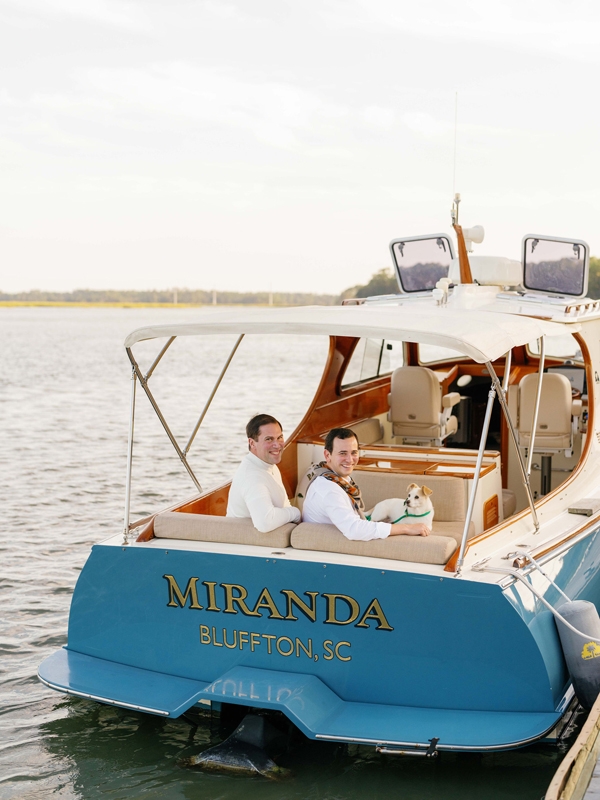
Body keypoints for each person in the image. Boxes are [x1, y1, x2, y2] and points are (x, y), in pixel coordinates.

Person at [301, 427, 430, 541]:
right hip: (335, 548)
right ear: (327, 455)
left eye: (354, 452)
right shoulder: (329, 490)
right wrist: (407, 528)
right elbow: (355, 529)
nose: (350, 459)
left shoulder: (334, 478)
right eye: (342, 453)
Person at [227, 413, 301, 533]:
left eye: (279, 437)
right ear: (252, 443)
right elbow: (265, 522)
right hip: (246, 545)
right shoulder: (251, 476)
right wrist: (296, 513)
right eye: (269, 439)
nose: (277, 445)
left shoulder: (269, 465)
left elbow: (284, 505)